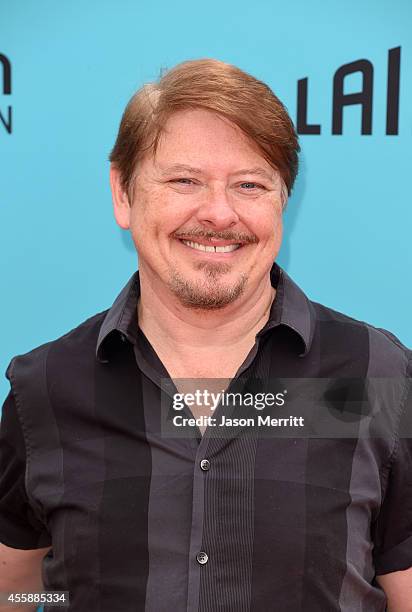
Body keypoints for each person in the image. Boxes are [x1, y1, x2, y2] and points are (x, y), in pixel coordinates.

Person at [0, 58, 411, 612]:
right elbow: (18, 593)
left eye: (249, 184)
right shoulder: (45, 387)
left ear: (282, 201)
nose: (219, 214)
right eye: (185, 180)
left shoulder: (376, 373)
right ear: (123, 194)